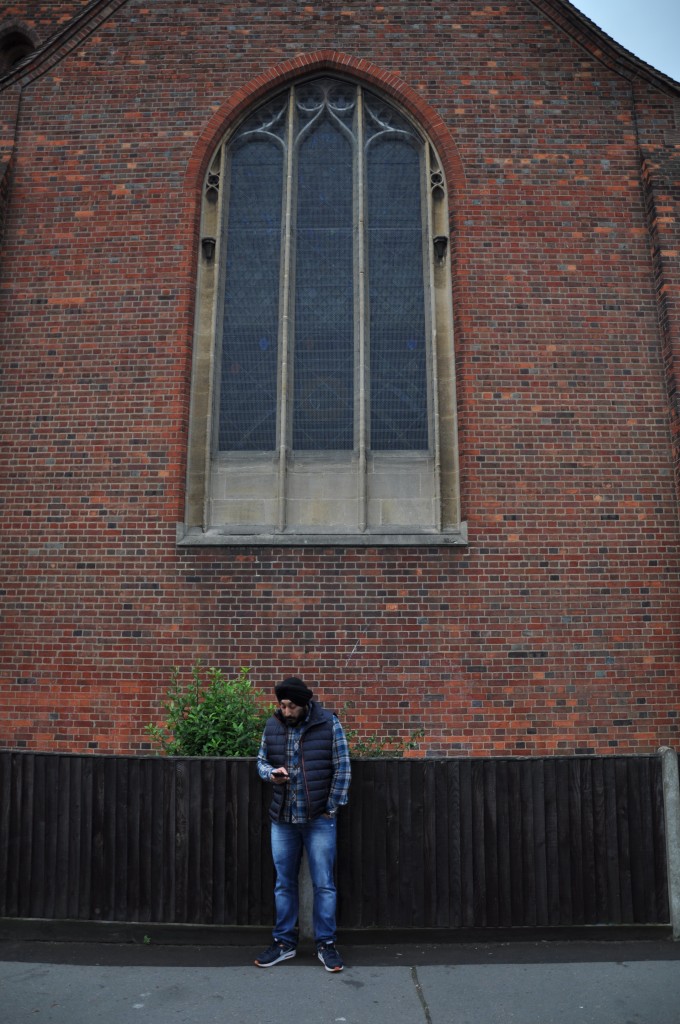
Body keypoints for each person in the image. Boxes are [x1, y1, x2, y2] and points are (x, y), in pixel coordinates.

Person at [254, 676, 351, 972]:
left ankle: (326, 944)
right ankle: (284, 943)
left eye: (291, 706)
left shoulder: (329, 724)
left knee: (324, 884)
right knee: (284, 884)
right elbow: (260, 761)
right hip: (282, 819)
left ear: (304, 704)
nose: (285, 710)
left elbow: (343, 769)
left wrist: (331, 807)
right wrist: (272, 774)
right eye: (282, 705)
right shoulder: (272, 725)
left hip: (318, 819)